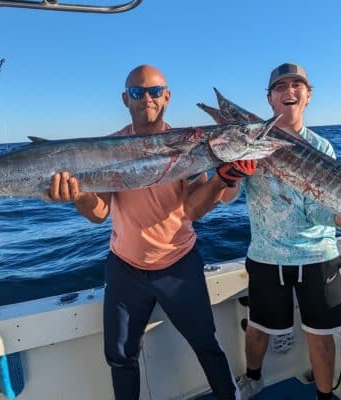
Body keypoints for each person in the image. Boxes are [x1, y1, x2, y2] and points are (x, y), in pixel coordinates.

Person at [48, 65, 256, 400]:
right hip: (125, 269)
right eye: (137, 92)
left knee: (207, 345)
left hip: (179, 265)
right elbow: (98, 214)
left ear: (167, 97)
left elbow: (192, 210)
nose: (147, 98)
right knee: (120, 356)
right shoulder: (108, 148)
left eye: (155, 91)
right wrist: (79, 194)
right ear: (125, 99)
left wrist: (222, 179)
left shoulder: (189, 145)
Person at [224, 63, 341, 400]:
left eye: (297, 85)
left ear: (308, 96)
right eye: (280, 86)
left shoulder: (322, 148)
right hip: (266, 255)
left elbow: (324, 209)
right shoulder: (250, 142)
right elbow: (225, 198)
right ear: (269, 99)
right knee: (258, 328)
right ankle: (252, 378)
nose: (289, 91)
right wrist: (230, 173)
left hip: (317, 255)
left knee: (320, 336)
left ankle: (324, 396)